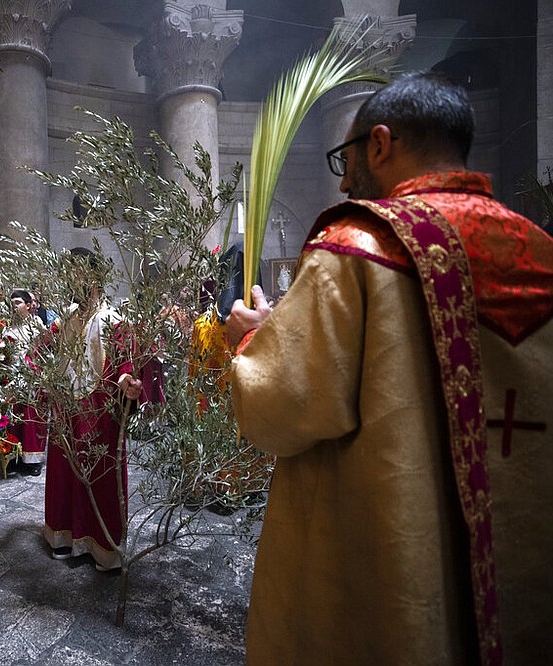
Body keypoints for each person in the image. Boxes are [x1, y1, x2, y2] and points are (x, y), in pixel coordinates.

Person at [226, 72, 553, 666]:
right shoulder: (541, 250)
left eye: (345, 159)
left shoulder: (361, 248)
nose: (346, 178)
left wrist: (253, 340)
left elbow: (279, 409)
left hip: (388, 575)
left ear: (379, 144)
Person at [44, 248, 143, 571]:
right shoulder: (66, 319)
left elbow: (125, 362)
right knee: (66, 473)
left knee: (100, 475)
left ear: (94, 276)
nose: (71, 279)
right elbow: (42, 350)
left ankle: (102, 546)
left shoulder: (114, 321)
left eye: (77, 272)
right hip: (67, 408)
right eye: (68, 272)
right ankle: (66, 536)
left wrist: (128, 380)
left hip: (101, 410)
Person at [4, 289, 47, 476]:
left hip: (31, 377)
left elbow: (43, 351)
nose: (14, 307)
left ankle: (32, 459)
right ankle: (13, 456)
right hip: (12, 376)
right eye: (11, 304)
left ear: (29, 305)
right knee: (13, 418)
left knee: (31, 418)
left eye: (17, 303)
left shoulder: (36, 325)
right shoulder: (6, 327)